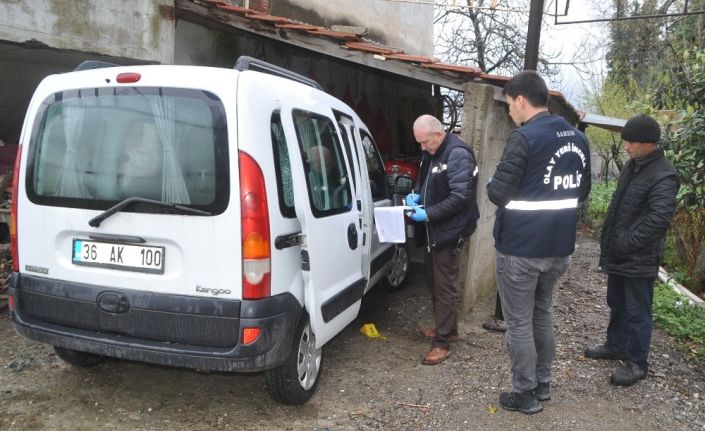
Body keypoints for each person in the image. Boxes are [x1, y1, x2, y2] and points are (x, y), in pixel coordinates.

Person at [487, 71, 591, 414]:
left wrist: (491, 183)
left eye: (509, 105)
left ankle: (525, 393)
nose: (509, 112)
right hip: (559, 247)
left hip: (521, 248)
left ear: (520, 100)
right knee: (542, 312)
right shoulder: (578, 138)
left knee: (519, 322)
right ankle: (542, 383)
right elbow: (582, 192)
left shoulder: (524, 137)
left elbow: (498, 193)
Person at [585, 114, 679, 386]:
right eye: (626, 141)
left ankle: (637, 363)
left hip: (639, 257)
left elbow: (659, 219)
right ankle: (616, 345)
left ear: (650, 143)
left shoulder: (664, 174)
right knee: (617, 302)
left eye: (632, 142)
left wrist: (626, 242)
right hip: (620, 253)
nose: (626, 146)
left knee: (638, 311)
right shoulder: (633, 166)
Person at [405, 114, 479, 366]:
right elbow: (425, 181)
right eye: (419, 143)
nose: (422, 147)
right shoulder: (431, 152)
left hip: (450, 230)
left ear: (438, 134)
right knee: (434, 280)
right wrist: (416, 195)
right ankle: (448, 328)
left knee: (445, 286)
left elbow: (460, 197)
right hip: (433, 229)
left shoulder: (458, 155)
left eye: (425, 142)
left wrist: (428, 213)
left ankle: (443, 342)